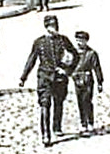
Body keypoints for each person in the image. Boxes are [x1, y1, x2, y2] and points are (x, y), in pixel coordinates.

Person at [19, 14, 78, 146]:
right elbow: (31, 60)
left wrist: (68, 70)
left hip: (60, 78)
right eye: (50, 26)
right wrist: (23, 77)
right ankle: (46, 134)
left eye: (55, 26)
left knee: (59, 102)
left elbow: (75, 56)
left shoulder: (64, 41)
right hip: (44, 77)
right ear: (45, 27)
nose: (53, 29)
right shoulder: (39, 42)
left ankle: (56, 127)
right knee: (44, 104)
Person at [70, 30, 105, 134]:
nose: (80, 43)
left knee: (87, 101)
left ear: (86, 41)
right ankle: (83, 123)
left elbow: (97, 68)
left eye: (82, 40)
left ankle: (90, 122)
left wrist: (100, 82)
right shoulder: (73, 53)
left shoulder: (91, 53)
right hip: (77, 79)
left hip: (88, 79)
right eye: (78, 40)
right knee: (80, 101)